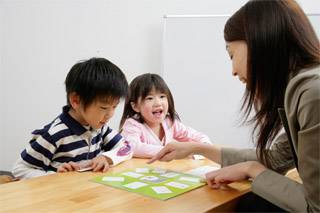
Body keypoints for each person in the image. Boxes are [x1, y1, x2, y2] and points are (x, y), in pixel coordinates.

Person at [148, 0, 320, 212]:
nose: (233, 71)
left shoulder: (312, 93)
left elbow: (315, 206)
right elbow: (277, 158)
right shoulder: (305, 86)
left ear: (261, 43)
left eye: (232, 55)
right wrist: (197, 148)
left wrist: (252, 169)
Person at [12, 58, 133, 179]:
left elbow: (127, 148)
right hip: (62, 194)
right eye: (104, 107)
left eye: (114, 107)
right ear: (76, 100)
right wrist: (54, 176)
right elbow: (20, 169)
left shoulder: (100, 128)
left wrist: (106, 158)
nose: (110, 114)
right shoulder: (54, 135)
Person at [119, 73, 212, 158]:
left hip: (164, 170)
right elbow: (133, 147)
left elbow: (196, 136)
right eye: (149, 98)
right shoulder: (132, 124)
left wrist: (204, 146)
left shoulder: (169, 122)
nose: (158, 103)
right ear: (135, 106)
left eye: (162, 97)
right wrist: (169, 150)